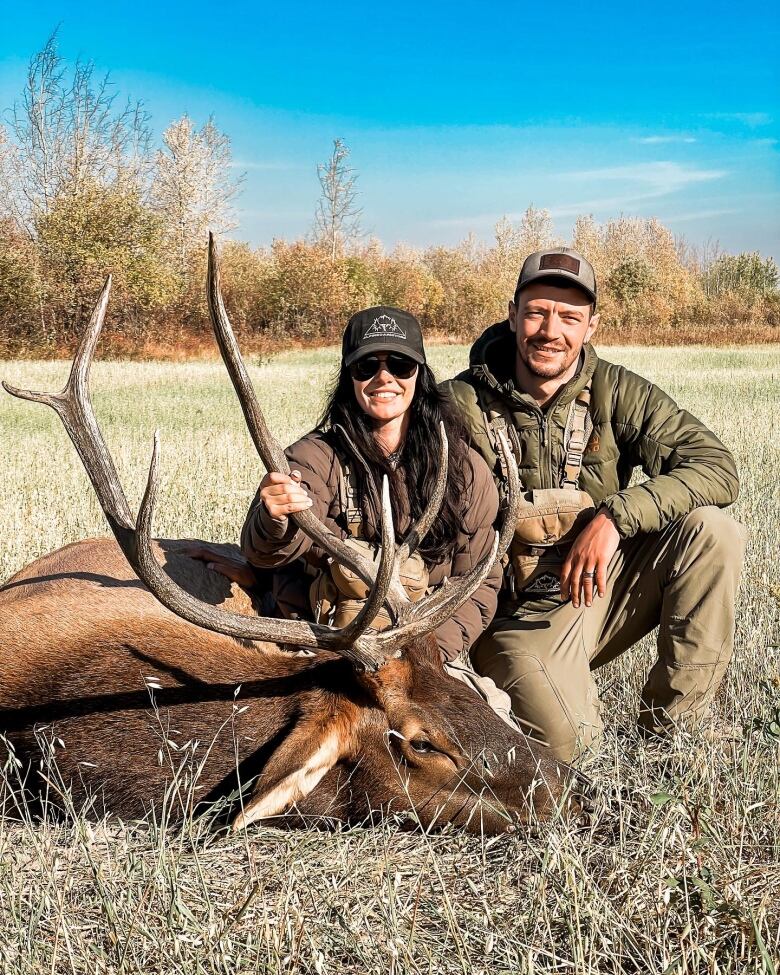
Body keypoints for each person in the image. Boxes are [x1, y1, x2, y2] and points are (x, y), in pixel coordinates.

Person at [443, 248, 746, 762]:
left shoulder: (615, 390)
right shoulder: (458, 403)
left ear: (591, 326)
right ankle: (540, 694)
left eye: (569, 317)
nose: (550, 330)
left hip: (594, 594)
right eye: (537, 311)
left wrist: (615, 516)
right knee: (571, 750)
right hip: (511, 619)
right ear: (513, 315)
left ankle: (674, 727)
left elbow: (717, 467)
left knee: (713, 531)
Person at [240, 306, 512, 716]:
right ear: (349, 377)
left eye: (400, 365)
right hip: (328, 652)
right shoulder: (314, 457)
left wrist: (431, 655)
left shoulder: (464, 469)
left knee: (490, 728)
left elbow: (480, 580)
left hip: (426, 656)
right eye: (367, 365)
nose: (384, 378)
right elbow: (266, 552)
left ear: (419, 374)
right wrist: (274, 519)